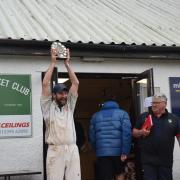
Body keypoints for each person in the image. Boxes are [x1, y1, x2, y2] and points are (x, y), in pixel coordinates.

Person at [40, 48, 80, 180]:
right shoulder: (48, 107)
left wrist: (67, 64)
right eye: (60, 93)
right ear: (54, 95)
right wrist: (53, 63)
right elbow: (45, 84)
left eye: (65, 93)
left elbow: (75, 83)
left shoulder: (70, 105)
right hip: (55, 150)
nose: (64, 96)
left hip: (72, 149)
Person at [133, 93, 180, 180]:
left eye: (156, 103)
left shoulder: (174, 119)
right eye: (153, 102)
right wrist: (141, 132)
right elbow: (134, 132)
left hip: (166, 160)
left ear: (164, 104)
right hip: (148, 160)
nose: (153, 105)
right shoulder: (144, 116)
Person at [89, 99, 132, 180]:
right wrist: (125, 151)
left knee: (106, 176)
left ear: (103, 105)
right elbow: (127, 133)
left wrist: (97, 150)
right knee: (119, 173)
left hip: (102, 153)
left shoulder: (95, 116)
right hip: (118, 153)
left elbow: (92, 136)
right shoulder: (123, 114)